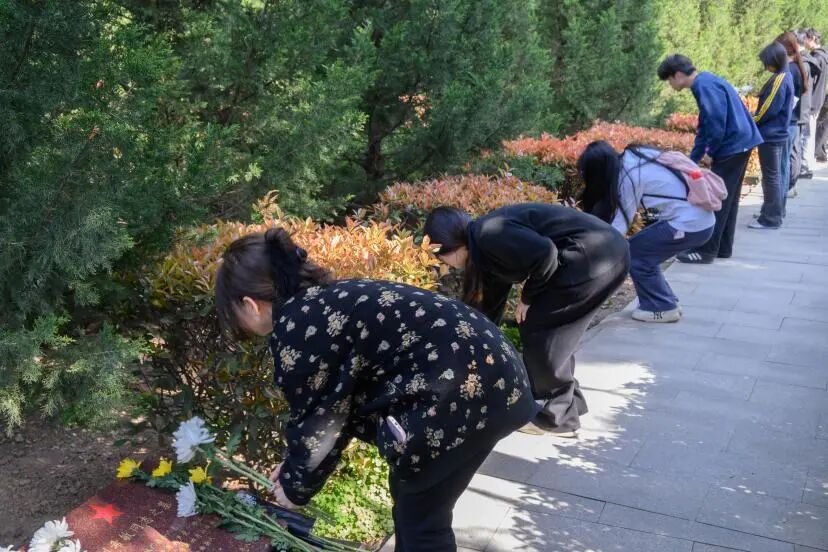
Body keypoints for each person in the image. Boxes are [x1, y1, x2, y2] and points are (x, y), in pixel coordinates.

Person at [215, 228, 536, 551]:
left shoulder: (296, 327)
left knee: (420, 519)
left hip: (467, 392)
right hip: (495, 376)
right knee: (416, 506)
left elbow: (319, 421)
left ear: (250, 304)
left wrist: (295, 487)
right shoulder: (323, 302)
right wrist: (295, 469)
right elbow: (334, 407)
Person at [423, 204, 630, 437]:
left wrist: (527, 297)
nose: (444, 265)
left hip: (593, 257)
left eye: (439, 257)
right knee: (552, 333)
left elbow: (546, 254)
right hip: (604, 254)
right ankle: (570, 403)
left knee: (543, 333)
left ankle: (559, 419)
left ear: (450, 247)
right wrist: (475, 341)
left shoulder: (488, 235)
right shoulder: (484, 248)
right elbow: (491, 304)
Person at [577, 141, 715, 323]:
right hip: (697, 219)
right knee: (643, 250)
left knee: (635, 255)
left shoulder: (629, 176)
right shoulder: (635, 154)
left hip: (690, 224)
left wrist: (593, 251)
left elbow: (619, 227)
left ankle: (662, 307)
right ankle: (666, 300)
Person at [657, 54, 763, 263]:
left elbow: (716, 125)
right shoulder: (705, 81)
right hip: (741, 143)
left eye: (669, 80)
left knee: (715, 199)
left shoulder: (703, 86)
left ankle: (706, 251)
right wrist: (693, 159)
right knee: (728, 198)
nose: (670, 85)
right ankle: (723, 247)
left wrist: (709, 153)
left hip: (733, 146)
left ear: (678, 75)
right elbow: (705, 126)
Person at [749, 42, 795, 230]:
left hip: (771, 135)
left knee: (771, 178)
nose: (765, 66)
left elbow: (768, 109)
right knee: (775, 176)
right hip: (778, 134)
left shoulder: (780, 79)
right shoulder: (786, 75)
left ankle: (770, 218)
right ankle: (772, 212)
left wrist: (751, 120)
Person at [775, 31, 809, 201]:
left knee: (780, 168)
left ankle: (776, 207)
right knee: (784, 165)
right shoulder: (797, 67)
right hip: (792, 122)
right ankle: (779, 206)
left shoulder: (789, 70)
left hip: (786, 123)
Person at [804, 29, 828, 164]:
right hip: (820, 98)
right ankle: (816, 156)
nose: (804, 41)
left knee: (813, 130)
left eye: (806, 38)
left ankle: (808, 162)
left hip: (815, 100)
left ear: (812, 38)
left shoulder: (817, 58)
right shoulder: (824, 55)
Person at [795, 29, 816, 182]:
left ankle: (800, 170)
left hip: (800, 110)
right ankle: (802, 168)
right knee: (803, 141)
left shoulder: (801, 63)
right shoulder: (809, 61)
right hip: (806, 107)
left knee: (799, 144)